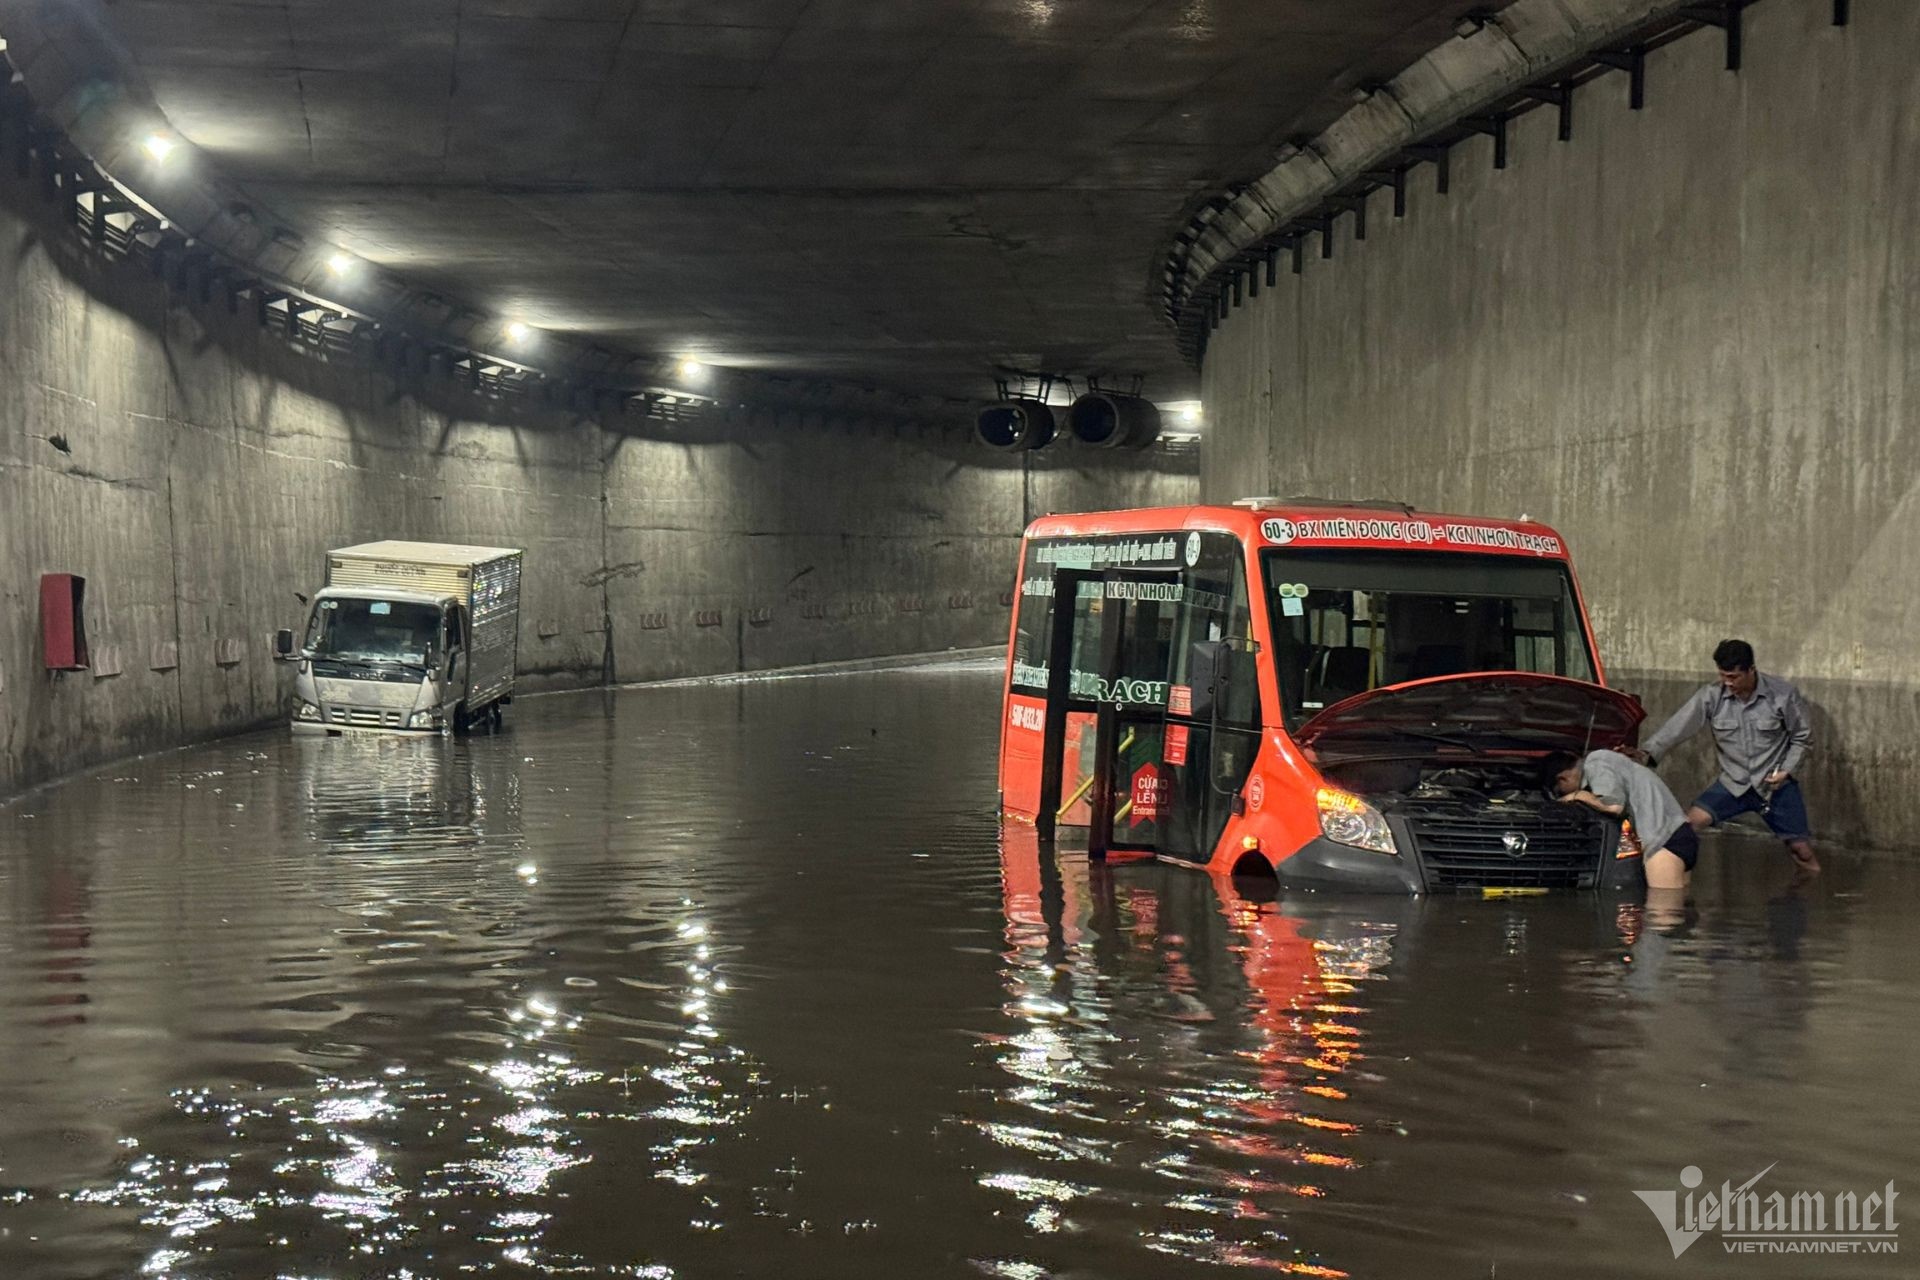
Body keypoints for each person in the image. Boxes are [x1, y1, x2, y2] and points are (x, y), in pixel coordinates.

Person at [1625, 639, 1818, 875]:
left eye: (1734, 677)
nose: (1728, 683)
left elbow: (1802, 738)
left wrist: (1786, 771)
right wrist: (1647, 753)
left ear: (1751, 670)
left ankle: (1812, 896)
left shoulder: (1783, 695)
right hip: (1732, 784)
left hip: (1774, 785)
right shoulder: (1711, 696)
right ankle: (1672, 886)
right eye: (1723, 676)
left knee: (1801, 851)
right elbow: (1678, 727)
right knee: (1685, 829)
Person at [1547, 749, 1699, 890]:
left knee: (1662, 909)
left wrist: (1577, 796)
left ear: (1562, 779)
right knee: (1680, 909)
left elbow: (1614, 806)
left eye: (1560, 792)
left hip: (1663, 843)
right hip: (1680, 834)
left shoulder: (1596, 762)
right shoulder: (1613, 762)